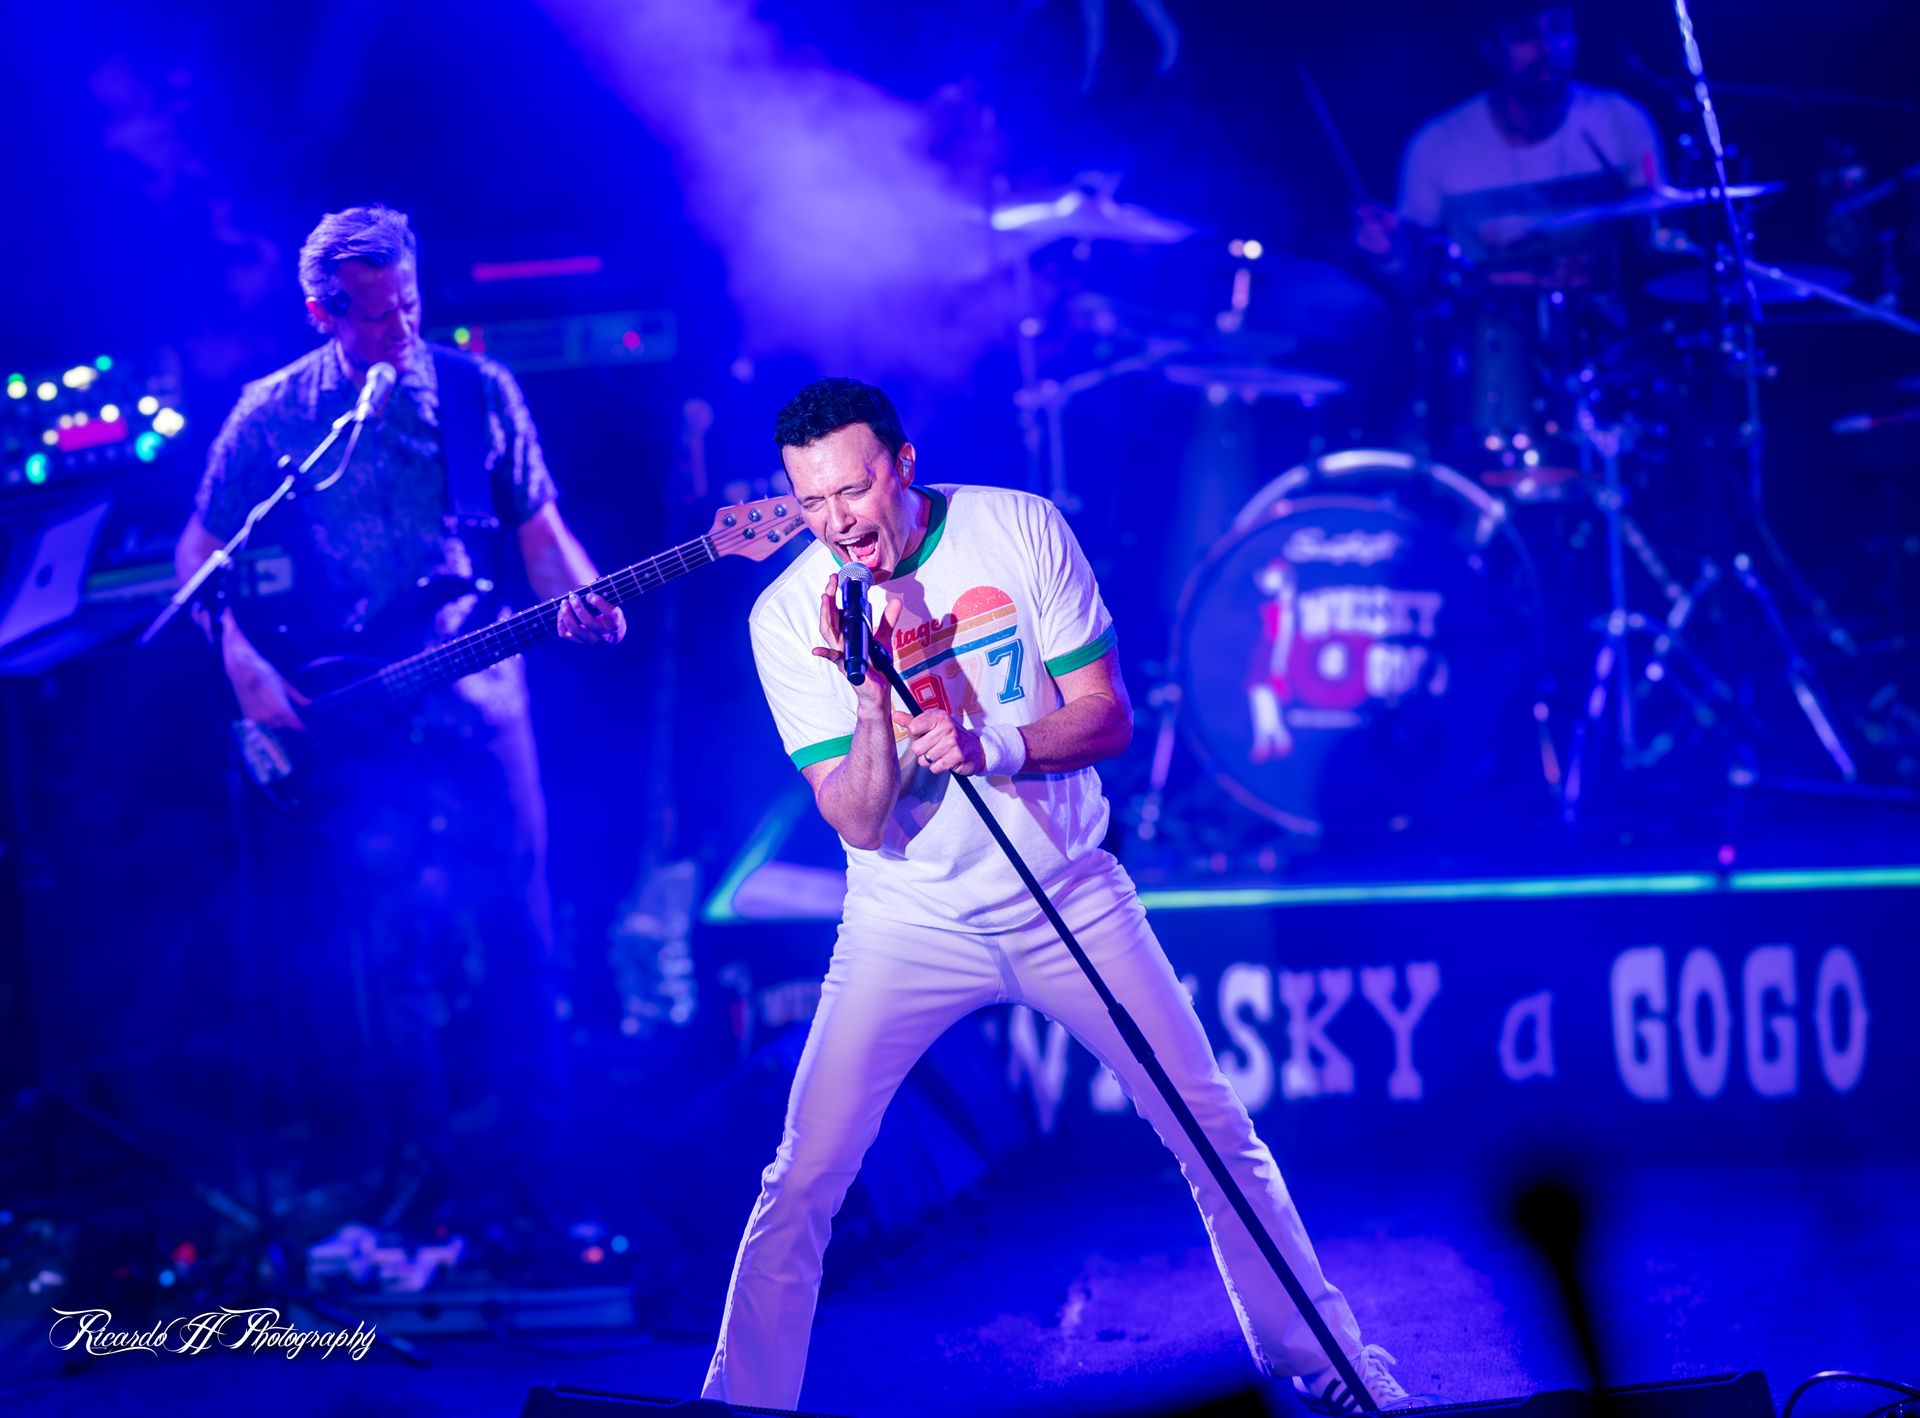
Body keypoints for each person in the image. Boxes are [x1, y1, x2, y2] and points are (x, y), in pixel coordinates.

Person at [701, 376, 1423, 1412]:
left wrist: (991, 742)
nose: (836, 523)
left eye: (852, 491)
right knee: (803, 1175)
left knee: (1212, 1130)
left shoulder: (1018, 527)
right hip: (907, 919)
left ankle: (1331, 1364)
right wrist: (869, 694)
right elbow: (855, 819)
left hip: (1067, 891)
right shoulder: (786, 614)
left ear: (903, 466)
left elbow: (1107, 716)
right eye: (811, 502)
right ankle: (738, 1406)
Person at [173, 203, 625, 1227]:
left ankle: (542, 1178)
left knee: (520, 929)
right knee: (393, 949)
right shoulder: (276, 412)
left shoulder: (477, 391)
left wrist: (588, 596)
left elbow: (541, 532)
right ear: (323, 313)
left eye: (409, 304)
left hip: (478, 688)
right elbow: (198, 550)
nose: (401, 329)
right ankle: (425, 1186)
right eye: (376, 315)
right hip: (359, 709)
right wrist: (246, 669)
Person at [1358, 0, 1664, 274]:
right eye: (1524, 35)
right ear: (1490, 48)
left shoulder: (1622, 120)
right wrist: (1389, 253)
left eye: (1559, 28)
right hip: (1487, 318)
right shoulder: (1436, 145)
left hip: (1608, 317)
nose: (1547, 48)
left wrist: (1660, 234)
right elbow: (1416, 277)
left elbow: (1658, 246)